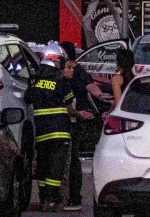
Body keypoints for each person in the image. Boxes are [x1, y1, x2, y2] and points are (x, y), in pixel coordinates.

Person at [31, 42, 76, 212]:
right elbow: (70, 107)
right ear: (54, 60)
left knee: (43, 165)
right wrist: (80, 115)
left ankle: (43, 197)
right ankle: (52, 198)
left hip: (41, 132)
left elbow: (28, 97)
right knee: (56, 167)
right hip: (59, 131)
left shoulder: (35, 81)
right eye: (60, 61)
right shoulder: (60, 81)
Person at [61, 43, 99, 211]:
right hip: (67, 118)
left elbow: (90, 87)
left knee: (73, 156)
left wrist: (102, 96)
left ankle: (74, 197)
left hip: (76, 118)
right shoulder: (63, 74)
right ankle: (66, 196)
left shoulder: (78, 73)